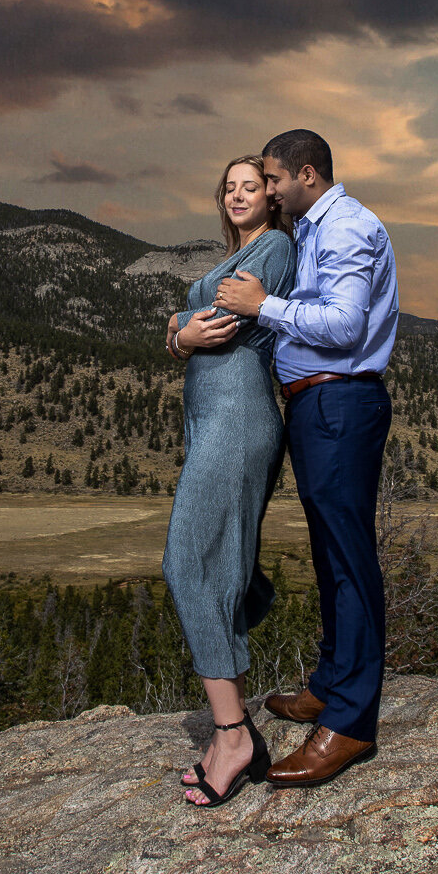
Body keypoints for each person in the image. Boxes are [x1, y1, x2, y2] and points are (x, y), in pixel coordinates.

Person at [214, 128, 397, 789]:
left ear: (307, 175)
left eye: (271, 178)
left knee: (349, 559)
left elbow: (345, 325)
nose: (264, 188)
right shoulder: (312, 229)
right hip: (317, 406)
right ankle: (331, 682)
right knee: (329, 554)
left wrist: (263, 305)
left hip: (340, 403)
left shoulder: (347, 226)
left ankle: (349, 723)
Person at [162, 154, 298, 808]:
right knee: (215, 559)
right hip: (212, 416)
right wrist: (181, 333)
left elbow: (223, 321)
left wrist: (184, 330)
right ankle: (230, 726)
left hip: (239, 415)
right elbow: (185, 329)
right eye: (229, 186)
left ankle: (233, 732)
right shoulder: (232, 255)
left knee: (187, 558)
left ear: (270, 199)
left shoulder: (273, 247)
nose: (238, 193)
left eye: (251, 186)